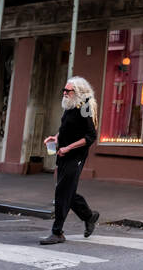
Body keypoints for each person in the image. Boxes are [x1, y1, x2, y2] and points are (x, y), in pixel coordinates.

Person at [40, 77, 100, 245]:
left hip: (76, 156)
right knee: (66, 192)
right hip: (63, 153)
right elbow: (65, 127)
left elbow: (90, 137)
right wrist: (56, 137)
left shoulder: (85, 107)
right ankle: (89, 216)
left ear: (78, 92)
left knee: (62, 192)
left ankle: (57, 232)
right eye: (64, 91)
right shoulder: (69, 105)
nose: (65, 93)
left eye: (68, 91)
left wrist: (69, 148)